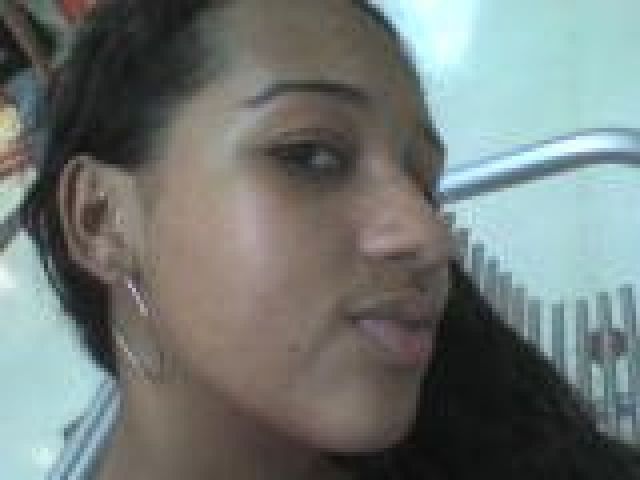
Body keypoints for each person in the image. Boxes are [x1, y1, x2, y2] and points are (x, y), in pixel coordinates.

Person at [22, 0, 640, 479]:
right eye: (311, 156)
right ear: (102, 219)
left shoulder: (471, 408)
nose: (429, 238)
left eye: (422, 181)